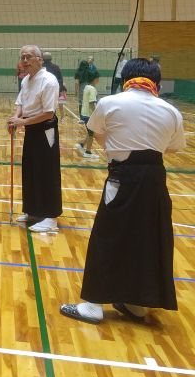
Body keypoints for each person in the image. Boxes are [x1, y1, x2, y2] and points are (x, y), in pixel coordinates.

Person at [60, 58, 186, 326]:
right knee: (147, 239)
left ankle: (93, 304)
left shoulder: (110, 103)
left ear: (126, 77)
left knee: (107, 235)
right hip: (155, 180)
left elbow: (96, 131)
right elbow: (174, 147)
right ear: (157, 82)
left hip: (123, 177)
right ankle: (137, 305)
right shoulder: (171, 111)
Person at [7, 45, 62, 234]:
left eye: (28, 57)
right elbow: (20, 103)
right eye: (22, 57)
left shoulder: (49, 81)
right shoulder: (26, 80)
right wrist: (15, 120)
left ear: (40, 59)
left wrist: (21, 122)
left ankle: (51, 217)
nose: (24, 60)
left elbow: (48, 113)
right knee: (31, 170)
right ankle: (33, 211)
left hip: (45, 131)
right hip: (30, 128)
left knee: (47, 172)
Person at [76, 74, 100, 160]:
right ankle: (88, 152)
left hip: (84, 114)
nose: (98, 80)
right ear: (94, 79)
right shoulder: (92, 89)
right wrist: (96, 114)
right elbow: (91, 103)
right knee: (91, 134)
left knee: (90, 132)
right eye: (97, 78)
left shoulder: (86, 87)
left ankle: (81, 144)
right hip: (89, 115)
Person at [41, 51, 65, 120]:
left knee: (43, 105)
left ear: (42, 58)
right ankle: (52, 117)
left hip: (42, 89)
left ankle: (43, 118)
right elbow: (60, 79)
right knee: (53, 104)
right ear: (51, 58)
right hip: (54, 89)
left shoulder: (40, 67)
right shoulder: (56, 67)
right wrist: (60, 90)